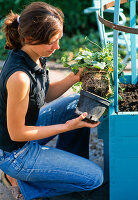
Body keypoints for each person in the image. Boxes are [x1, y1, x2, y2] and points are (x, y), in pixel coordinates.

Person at [0, 1, 103, 200]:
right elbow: (17, 133)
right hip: (16, 154)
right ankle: (20, 183)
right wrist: (67, 127)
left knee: (76, 102)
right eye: (52, 42)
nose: (57, 47)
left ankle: (63, 168)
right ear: (30, 38)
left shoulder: (35, 55)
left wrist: (74, 77)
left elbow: (44, 94)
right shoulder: (19, 77)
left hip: (26, 134)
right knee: (94, 179)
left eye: (59, 39)